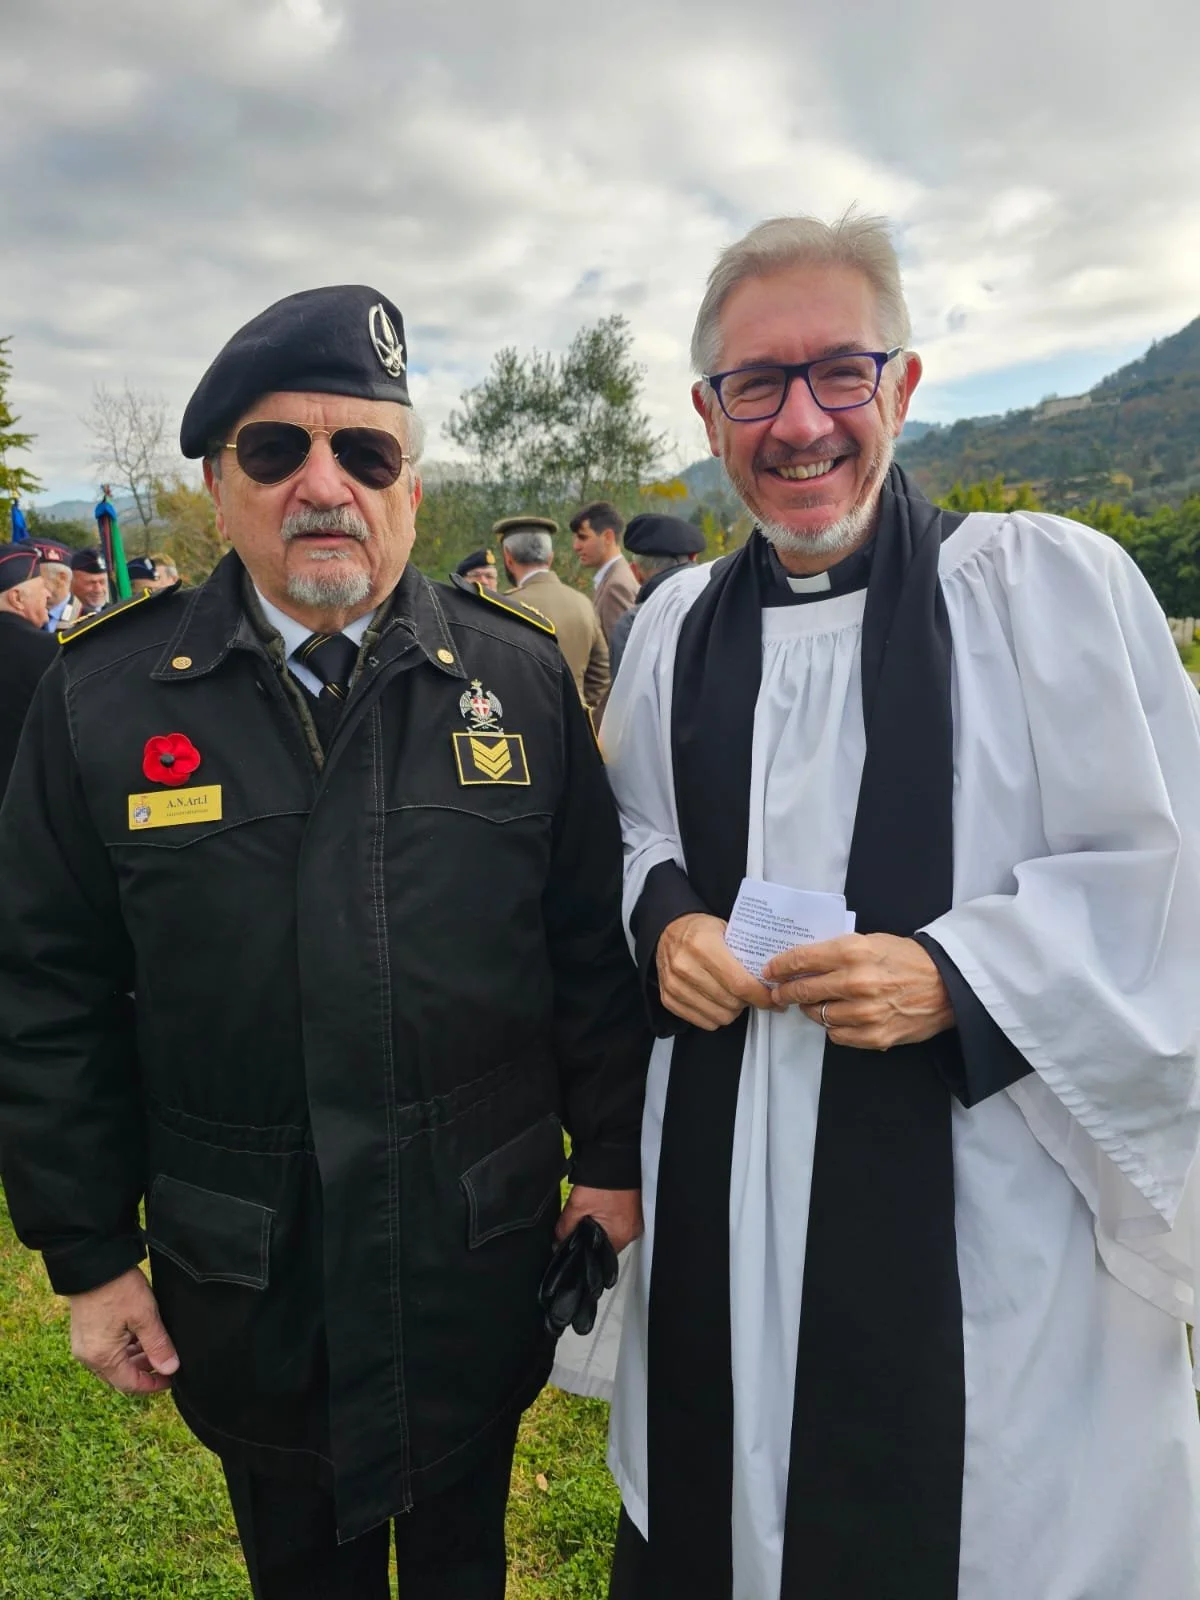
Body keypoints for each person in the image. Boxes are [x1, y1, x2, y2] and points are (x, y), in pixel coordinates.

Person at [0, 284, 649, 1600]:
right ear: (217, 482)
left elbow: (586, 946)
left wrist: (615, 1159)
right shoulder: (101, 700)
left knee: (463, 1554)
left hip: (473, 1247)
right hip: (250, 1269)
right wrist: (88, 1258)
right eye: (276, 449)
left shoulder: (516, 681)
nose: (323, 485)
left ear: (410, 489)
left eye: (366, 452)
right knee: (299, 1565)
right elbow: (46, 990)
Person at [599, 214, 1200, 1600]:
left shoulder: (1046, 593)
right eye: (757, 384)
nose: (800, 422)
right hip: (726, 1184)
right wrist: (669, 921)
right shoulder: (678, 628)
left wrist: (961, 976)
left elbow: (1163, 878)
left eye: (840, 374)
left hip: (982, 1214)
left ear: (905, 387)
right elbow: (623, 832)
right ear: (709, 411)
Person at [495, 515, 610, 714]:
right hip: (575, 727)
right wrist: (577, 705)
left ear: (508, 557)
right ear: (550, 557)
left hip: (524, 722)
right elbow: (601, 671)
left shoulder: (503, 606)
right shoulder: (583, 603)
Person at [605, 514, 705, 680]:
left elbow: (626, 699)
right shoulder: (731, 603)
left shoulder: (634, 623)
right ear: (694, 557)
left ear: (636, 572)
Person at [0, 546, 56, 793]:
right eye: (41, 585)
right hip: (23, 801)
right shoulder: (49, 651)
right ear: (16, 598)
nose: (48, 593)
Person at [570, 501, 637, 644]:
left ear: (608, 537)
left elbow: (619, 650)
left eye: (583, 537)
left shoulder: (616, 586)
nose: (576, 546)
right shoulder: (614, 578)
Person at [28, 539, 79, 630]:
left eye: (35, 577)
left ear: (62, 578)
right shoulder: (18, 617)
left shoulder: (91, 621)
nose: (26, 584)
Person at [67, 547, 109, 616]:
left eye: (102, 582)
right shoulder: (58, 617)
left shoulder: (117, 614)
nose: (98, 590)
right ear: (71, 582)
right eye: (91, 583)